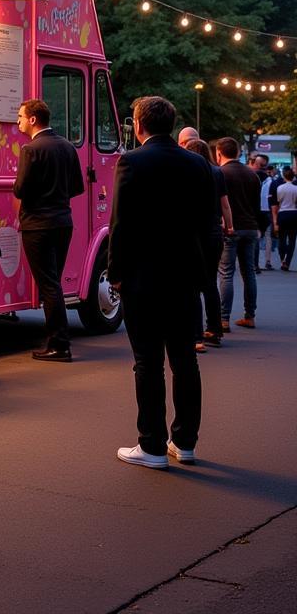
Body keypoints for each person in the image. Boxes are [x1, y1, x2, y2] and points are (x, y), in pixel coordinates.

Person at [110, 96, 215, 469]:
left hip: (143, 278)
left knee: (147, 362)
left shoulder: (132, 161)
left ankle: (151, 445)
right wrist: (205, 273)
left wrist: (116, 273)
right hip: (186, 278)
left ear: (138, 125)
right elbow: (209, 225)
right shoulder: (198, 164)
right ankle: (184, 441)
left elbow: (120, 224)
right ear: (171, 124)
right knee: (185, 360)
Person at [13, 98, 85, 362]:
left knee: (48, 285)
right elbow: (77, 187)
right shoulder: (67, 146)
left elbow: (20, 189)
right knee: (54, 281)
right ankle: (58, 340)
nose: (18, 121)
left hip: (37, 224)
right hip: (63, 222)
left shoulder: (30, 150)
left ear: (33, 119)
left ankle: (59, 344)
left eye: (20, 116)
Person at [182, 138, 231, 351]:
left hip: (194, 232)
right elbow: (225, 205)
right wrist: (229, 226)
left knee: (191, 285)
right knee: (210, 282)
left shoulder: (188, 172)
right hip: (214, 232)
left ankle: (196, 336)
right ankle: (214, 330)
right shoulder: (217, 172)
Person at [216, 137, 260, 330]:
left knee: (226, 273)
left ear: (219, 153)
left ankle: (224, 318)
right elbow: (257, 206)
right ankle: (250, 315)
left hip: (230, 228)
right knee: (248, 272)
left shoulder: (220, 173)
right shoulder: (252, 175)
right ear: (237, 153)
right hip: (250, 227)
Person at [271, 167, 297, 270]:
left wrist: (275, 220)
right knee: (292, 239)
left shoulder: (280, 188)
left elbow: (278, 203)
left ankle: (282, 260)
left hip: (282, 214)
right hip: (294, 213)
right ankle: (287, 261)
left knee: (281, 239)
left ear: (283, 176)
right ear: (293, 176)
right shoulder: (296, 188)